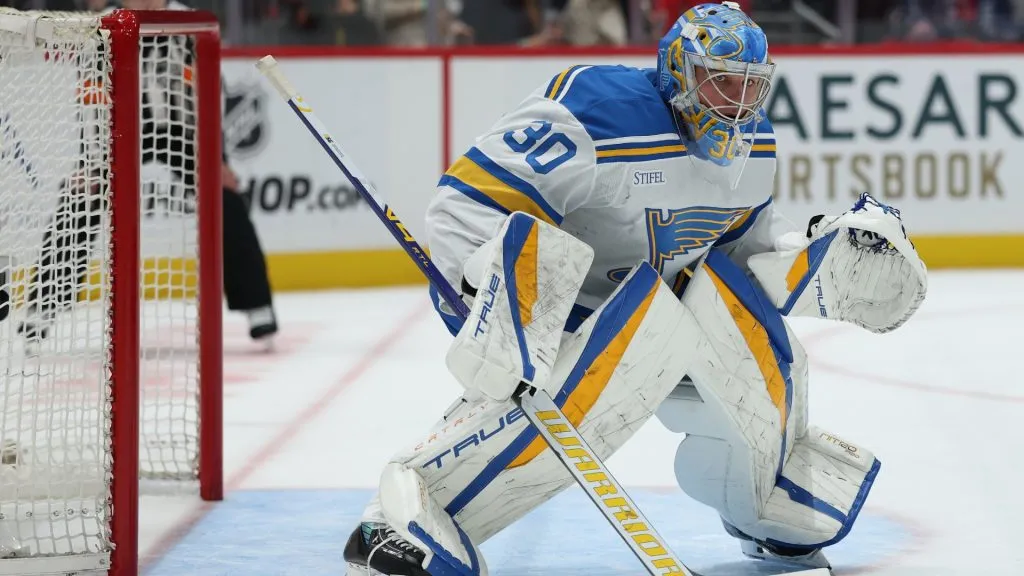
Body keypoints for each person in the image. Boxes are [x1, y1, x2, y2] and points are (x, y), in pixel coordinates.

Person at [342, 3, 927, 575]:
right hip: (558, 320)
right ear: (678, 73)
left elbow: (739, 256)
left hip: (658, 311)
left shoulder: (756, 145)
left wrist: (816, 259)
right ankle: (402, 518)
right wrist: (502, 313)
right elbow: (464, 208)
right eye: (719, 82)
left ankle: (763, 504)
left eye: (750, 87)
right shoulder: (598, 110)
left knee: (754, 340)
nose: (737, 103)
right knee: (633, 346)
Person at [19, 0, 278, 345]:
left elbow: (208, 91)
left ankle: (257, 304)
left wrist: (216, 157)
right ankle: (43, 305)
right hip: (120, 130)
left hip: (181, 131)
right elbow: (92, 96)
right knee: (82, 197)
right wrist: (91, 162)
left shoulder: (190, 23)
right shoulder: (103, 25)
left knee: (224, 197)